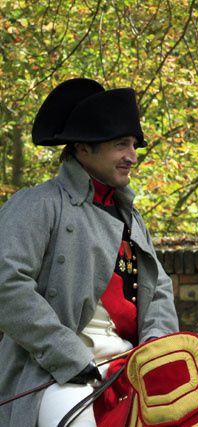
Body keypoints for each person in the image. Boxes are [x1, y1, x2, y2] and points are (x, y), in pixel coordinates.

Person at [0, 78, 179, 426]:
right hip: (52, 373)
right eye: (120, 145)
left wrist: (155, 350)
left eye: (133, 145)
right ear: (83, 149)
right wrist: (68, 356)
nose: (132, 156)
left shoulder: (132, 218)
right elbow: (6, 284)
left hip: (130, 367)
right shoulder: (37, 205)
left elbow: (156, 291)